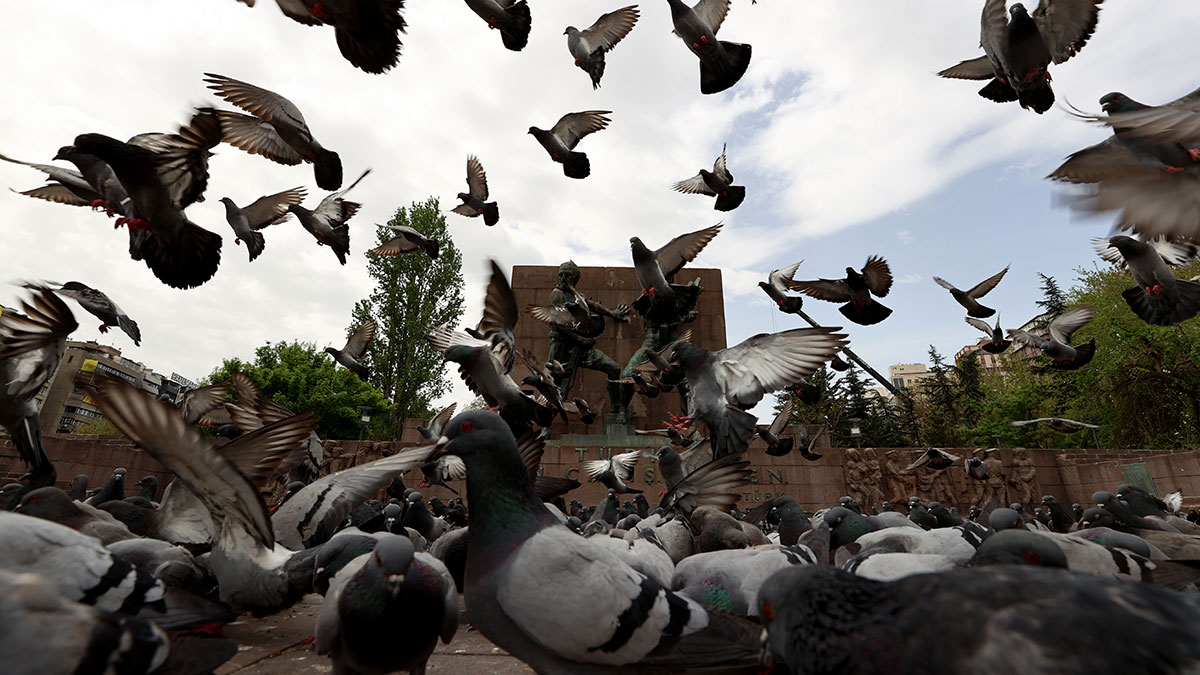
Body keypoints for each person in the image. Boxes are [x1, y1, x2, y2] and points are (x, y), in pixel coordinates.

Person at [546, 261, 630, 417]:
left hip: (581, 349)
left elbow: (592, 305)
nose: (563, 278)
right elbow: (558, 325)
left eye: (567, 275)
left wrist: (613, 313)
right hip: (562, 349)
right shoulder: (557, 294)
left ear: (575, 278)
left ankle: (616, 410)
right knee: (556, 387)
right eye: (561, 274)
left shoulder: (576, 296)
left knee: (614, 368)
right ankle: (546, 428)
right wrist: (581, 340)